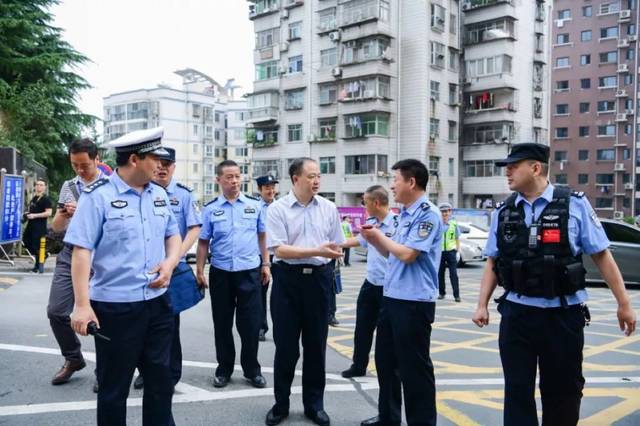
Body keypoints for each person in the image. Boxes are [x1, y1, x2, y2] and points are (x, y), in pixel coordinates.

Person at [472, 143, 637, 426]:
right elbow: (492, 262)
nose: (507, 172)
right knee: (517, 391)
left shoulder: (574, 204)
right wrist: (481, 305)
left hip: (563, 316)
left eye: (514, 166)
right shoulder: (504, 211)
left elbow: (601, 255)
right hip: (517, 315)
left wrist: (624, 304)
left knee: (563, 392)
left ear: (535, 168)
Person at [67, 127, 182, 426]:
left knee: (161, 381)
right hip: (116, 309)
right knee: (113, 387)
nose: (161, 165)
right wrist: (81, 305)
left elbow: (173, 235)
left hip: (158, 305)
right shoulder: (98, 197)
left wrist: (169, 263)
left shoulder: (159, 194)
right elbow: (81, 252)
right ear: (134, 159)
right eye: (155, 159)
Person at [359, 159, 443, 426]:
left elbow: (408, 254)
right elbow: (392, 254)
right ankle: (389, 418)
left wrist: (381, 239)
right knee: (386, 363)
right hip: (392, 297)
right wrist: (375, 240)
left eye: (395, 179)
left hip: (414, 302)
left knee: (414, 370)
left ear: (411, 182)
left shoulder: (428, 214)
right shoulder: (404, 214)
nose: (392, 185)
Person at [265, 157, 345, 426]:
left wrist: (329, 255)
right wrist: (318, 251)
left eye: (318, 175)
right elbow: (280, 250)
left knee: (315, 348)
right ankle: (281, 404)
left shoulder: (329, 208)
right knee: (286, 348)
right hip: (288, 282)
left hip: (319, 283)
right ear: (295, 179)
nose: (316, 180)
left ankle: (314, 405)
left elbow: (336, 245)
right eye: (311, 176)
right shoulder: (277, 209)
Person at [196, 160, 270, 389]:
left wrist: (266, 264)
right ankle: (224, 369)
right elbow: (203, 242)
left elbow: (262, 237)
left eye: (237, 176)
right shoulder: (210, 209)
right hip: (221, 273)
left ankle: (252, 370)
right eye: (229, 177)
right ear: (218, 180)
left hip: (249, 272)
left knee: (250, 325)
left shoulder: (254, 205)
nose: (235, 181)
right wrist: (199, 270)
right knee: (222, 324)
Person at [133, 147, 202, 390]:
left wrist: (176, 256)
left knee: (169, 326)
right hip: (144, 269)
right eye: (158, 162)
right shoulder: (139, 190)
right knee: (141, 324)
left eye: (167, 163)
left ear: (174, 167)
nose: (162, 167)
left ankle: (171, 375)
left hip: (171, 270)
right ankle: (145, 371)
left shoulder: (183, 195)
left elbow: (194, 227)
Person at [47, 138, 106, 389]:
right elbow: (57, 229)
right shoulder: (69, 187)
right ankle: (73, 358)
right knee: (56, 311)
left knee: (105, 316)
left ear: (97, 159)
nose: (80, 171)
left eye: (84, 165)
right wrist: (62, 215)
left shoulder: (111, 186)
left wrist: (83, 209)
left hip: (102, 255)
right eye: (75, 165)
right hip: (71, 252)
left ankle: (105, 370)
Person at [340, 185, 396, 379]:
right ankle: (358, 365)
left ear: (376, 202)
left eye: (365, 202)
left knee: (385, 334)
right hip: (370, 283)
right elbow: (359, 241)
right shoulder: (371, 222)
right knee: (362, 328)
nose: (363, 205)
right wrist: (335, 243)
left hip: (389, 287)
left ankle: (386, 370)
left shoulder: (397, 224)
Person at [256, 174, 279, 342]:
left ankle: (281, 327)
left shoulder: (281, 207)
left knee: (281, 294)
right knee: (260, 294)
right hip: (260, 257)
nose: (271, 190)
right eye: (267, 187)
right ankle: (261, 327)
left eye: (273, 187)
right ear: (260, 190)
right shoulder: (255, 208)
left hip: (279, 255)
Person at [22, 179, 52, 272]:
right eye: (37, 184)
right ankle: (44, 256)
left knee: (37, 246)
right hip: (31, 225)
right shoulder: (34, 198)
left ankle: (37, 266)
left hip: (39, 227)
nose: (39, 186)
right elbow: (32, 210)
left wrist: (34, 215)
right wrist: (27, 213)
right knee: (26, 241)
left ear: (44, 187)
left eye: (41, 185)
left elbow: (49, 213)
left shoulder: (46, 199)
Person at [437, 202, 461, 302]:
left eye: (446, 211)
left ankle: (457, 295)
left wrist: (458, 251)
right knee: (440, 273)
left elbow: (457, 238)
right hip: (440, 252)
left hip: (451, 251)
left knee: (453, 274)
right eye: (442, 212)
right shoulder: (438, 223)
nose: (445, 214)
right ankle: (441, 293)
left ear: (450, 212)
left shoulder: (454, 223)